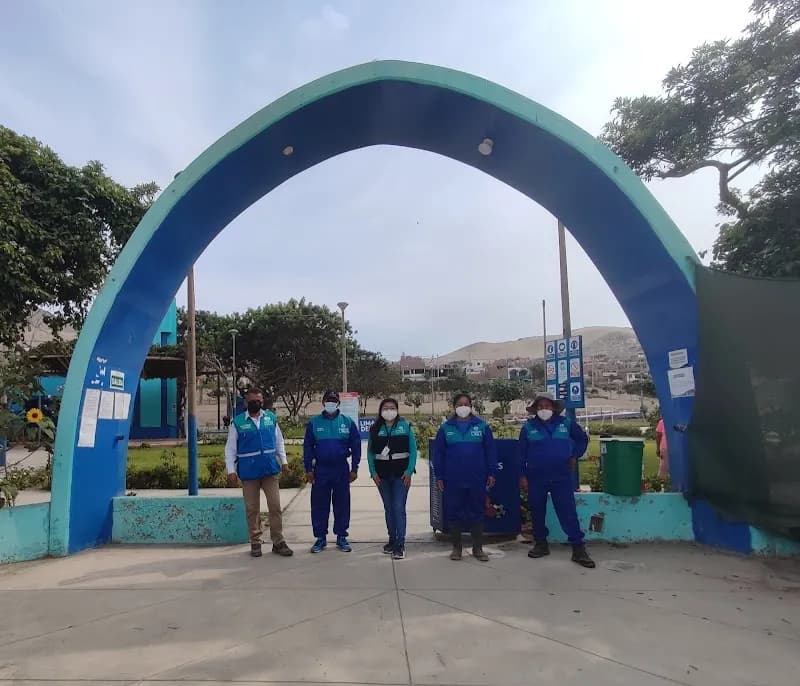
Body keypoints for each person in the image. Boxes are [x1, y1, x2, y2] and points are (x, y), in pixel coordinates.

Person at [519, 392, 595, 568]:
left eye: (547, 406)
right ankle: (540, 544)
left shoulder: (566, 423)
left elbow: (582, 439)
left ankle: (578, 548)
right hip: (536, 476)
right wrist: (522, 476)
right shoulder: (528, 427)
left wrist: (574, 455)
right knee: (537, 510)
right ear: (535, 409)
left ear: (553, 408)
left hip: (561, 476)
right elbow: (520, 454)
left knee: (567, 511)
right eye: (540, 407)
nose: (543, 409)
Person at [225, 388, 293, 558]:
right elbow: (230, 449)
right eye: (252, 401)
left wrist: (284, 462)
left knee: (275, 507)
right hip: (249, 473)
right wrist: (231, 470)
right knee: (252, 509)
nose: (256, 403)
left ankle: (278, 541)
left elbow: (279, 442)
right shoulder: (237, 423)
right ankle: (255, 541)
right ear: (246, 402)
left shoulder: (270, 418)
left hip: (269, 470)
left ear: (262, 402)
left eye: (258, 401)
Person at [433, 393, 498, 562]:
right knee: (454, 512)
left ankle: (478, 548)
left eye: (466, 404)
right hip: (453, 478)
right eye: (460, 404)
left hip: (477, 478)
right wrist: (439, 475)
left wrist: (492, 472)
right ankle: (456, 548)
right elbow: (438, 454)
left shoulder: (482, 426)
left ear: (471, 406)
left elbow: (491, 451)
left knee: (477, 511)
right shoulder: (446, 428)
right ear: (454, 407)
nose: (463, 407)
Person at [303, 390, 362, 553]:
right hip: (321, 470)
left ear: (338, 403)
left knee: (342, 504)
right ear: (323, 402)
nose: (331, 403)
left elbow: (356, 446)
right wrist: (308, 469)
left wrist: (354, 468)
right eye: (328, 400)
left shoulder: (347, 422)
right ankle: (320, 538)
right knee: (319, 505)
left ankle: (341, 536)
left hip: (341, 469)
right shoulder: (314, 423)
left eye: (334, 400)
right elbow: (307, 447)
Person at [368, 398, 417, 560]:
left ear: (396, 410)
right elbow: (370, 453)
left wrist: (409, 471)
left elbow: (413, 450)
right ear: (381, 411)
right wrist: (373, 473)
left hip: (401, 476)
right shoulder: (375, 429)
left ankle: (400, 544)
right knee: (389, 509)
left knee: (398, 508)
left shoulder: (405, 426)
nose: (389, 411)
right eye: (385, 408)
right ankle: (392, 539)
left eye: (392, 408)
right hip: (382, 476)